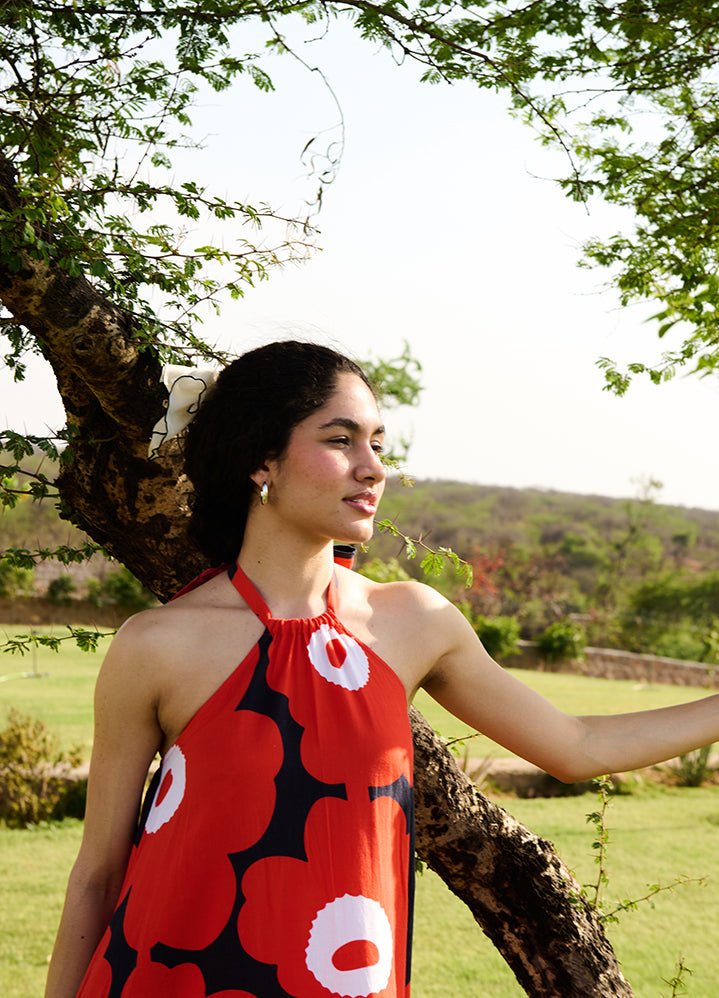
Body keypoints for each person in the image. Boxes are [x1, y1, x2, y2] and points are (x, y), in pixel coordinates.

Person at [46, 339, 719, 998]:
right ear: (262, 459)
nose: (372, 468)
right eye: (340, 440)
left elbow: (576, 747)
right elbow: (98, 875)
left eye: (377, 443)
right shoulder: (157, 645)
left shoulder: (413, 623)